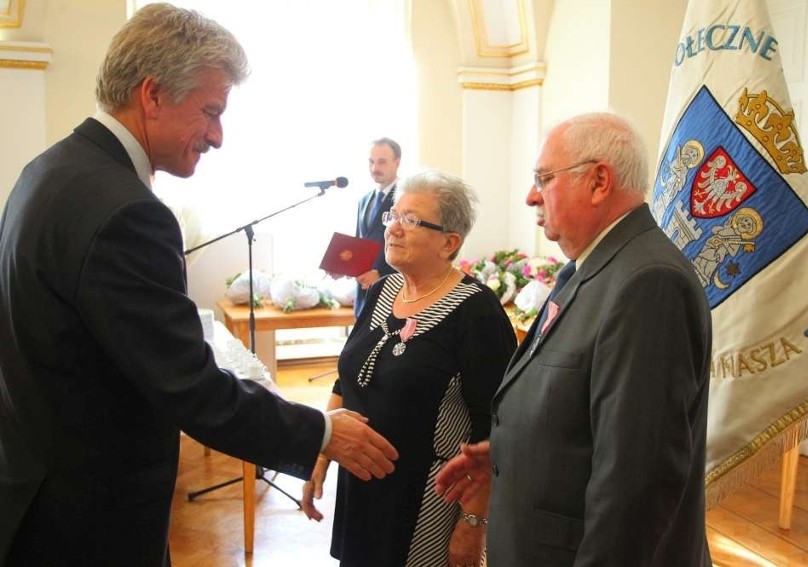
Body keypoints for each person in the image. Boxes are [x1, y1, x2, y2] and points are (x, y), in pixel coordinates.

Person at [0, 4, 397, 566]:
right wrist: (319, 431)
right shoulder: (127, 212)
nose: (217, 136)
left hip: (34, 492)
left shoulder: (47, 170)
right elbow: (191, 388)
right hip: (89, 522)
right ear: (153, 94)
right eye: (210, 111)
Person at [435, 113, 713, 566]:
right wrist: (515, 454)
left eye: (544, 178)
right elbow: (583, 411)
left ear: (599, 181)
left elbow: (636, 482)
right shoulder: (591, 267)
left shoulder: (647, 282)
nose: (531, 196)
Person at [302, 170, 517, 566]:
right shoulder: (384, 289)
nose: (393, 229)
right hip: (361, 483)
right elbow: (348, 375)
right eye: (392, 216)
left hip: (427, 497)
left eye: (411, 220)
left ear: (449, 242)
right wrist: (322, 450)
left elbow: (496, 427)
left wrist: (473, 522)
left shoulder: (476, 312)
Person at [353, 137, 401, 317]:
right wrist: (343, 267)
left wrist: (381, 273)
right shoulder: (364, 200)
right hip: (362, 296)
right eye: (371, 162)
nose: (375, 168)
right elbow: (360, 243)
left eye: (381, 162)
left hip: (391, 292)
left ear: (397, 162)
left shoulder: (405, 200)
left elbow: (410, 247)